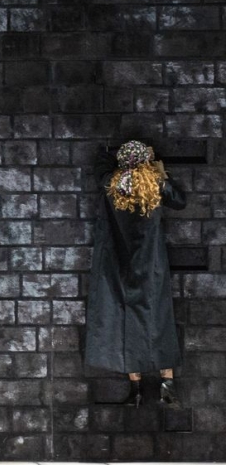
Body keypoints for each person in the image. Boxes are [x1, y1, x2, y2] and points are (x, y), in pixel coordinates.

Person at [86, 141, 187, 407]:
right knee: (159, 319)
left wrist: (110, 154)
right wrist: (158, 171)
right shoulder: (155, 185)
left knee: (126, 322)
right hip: (152, 264)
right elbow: (180, 201)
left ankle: (136, 389)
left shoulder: (111, 184)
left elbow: (100, 167)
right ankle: (167, 384)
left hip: (119, 265)